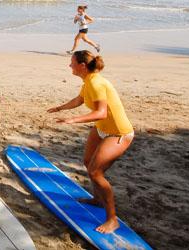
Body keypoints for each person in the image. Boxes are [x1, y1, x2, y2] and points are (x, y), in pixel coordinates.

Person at [47, 50, 133, 233]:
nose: (70, 66)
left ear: (82, 66)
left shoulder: (96, 83)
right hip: (102, 128)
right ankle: (97, 199)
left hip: (118, 133)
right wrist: (60, 108)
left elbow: (101, 112)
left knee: (95, 172)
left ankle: (112, 219)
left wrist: (73, 120)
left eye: (72, 63)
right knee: (88, 162)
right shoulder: (88, 80)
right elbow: (80, 99)